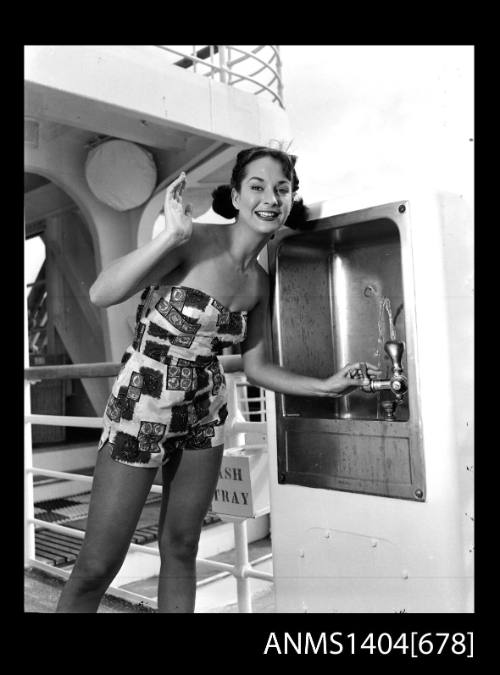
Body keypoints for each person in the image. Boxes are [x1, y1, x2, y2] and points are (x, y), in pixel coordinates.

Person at [56, 146, 381, 613]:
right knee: (97, 566)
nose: (271, 198)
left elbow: (257, 368)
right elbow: (101, 292)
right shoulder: (192, 241)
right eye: (258, 186)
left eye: (282, 189)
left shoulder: (259, 283)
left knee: (183, 547)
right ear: (235, 194)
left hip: (204, 415)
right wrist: (169, 238)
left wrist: (326, 386)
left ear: (291, 199)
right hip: (142, 404)